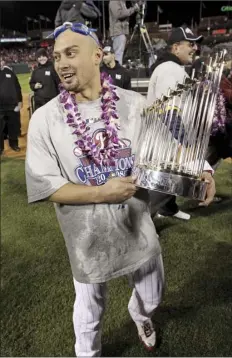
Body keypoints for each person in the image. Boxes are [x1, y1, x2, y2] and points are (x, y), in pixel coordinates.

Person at [25, 22, 215, 357]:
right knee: (89, 311)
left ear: (98, 55)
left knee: (154, 294)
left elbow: (168, 146)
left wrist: (203, 167)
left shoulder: (134, 105)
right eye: (56, 56)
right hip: (86, 238)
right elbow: (47, 186)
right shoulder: (45, 119)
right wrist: (102, 193)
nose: (61, 63)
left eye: (71, 53)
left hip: (137, 226)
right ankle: (89, 354)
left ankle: (140, 315)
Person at [147, 27, 213, 220]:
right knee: (161, 185)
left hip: (165, 138)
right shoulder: (170, 69)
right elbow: (170, 114)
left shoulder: (171, 68)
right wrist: (188, 150)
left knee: (168, 182)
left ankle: (168, 208)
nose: (195, 48)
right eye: (190, 44)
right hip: (166, 140)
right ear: (176, 48)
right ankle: (143, 224)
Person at [0, 59, 22, 154]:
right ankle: (0, 149)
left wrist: (20, 101)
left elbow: (17, 87)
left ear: (2, 61)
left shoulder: (10, 72)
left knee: (13, 126)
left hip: (12, 105)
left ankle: (14, 144)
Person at [109, 0, 139, 65]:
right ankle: (118, 73)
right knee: (118, 55)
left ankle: (118, 71)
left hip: (122, 32)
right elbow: (119, 14)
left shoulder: (122, 2)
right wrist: (133, 9)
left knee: (120, 54)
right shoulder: (114, 1)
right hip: (118, 32)